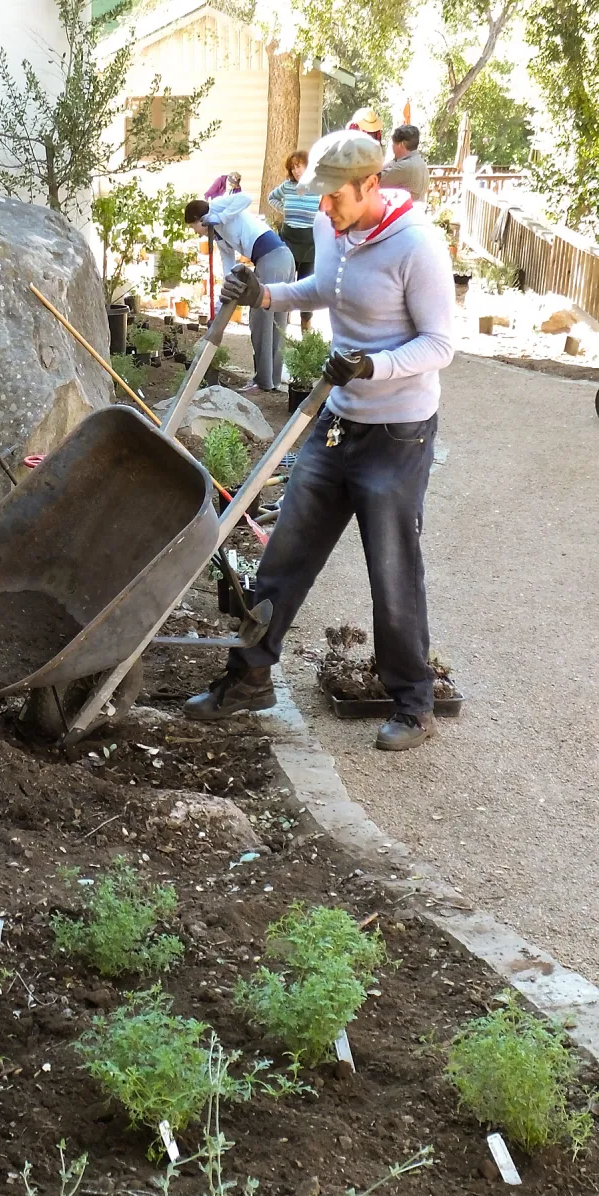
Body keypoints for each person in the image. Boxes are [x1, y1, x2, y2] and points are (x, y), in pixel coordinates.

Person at [183, 130, 455, 752]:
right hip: (336, 420)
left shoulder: (418, 246)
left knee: (392, 568)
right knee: (287, 550)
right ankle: (250, 678)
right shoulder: (336, 229)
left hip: (398, 432)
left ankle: (413, 702)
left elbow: (441, 344)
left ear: (369, 186)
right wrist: (268, 294)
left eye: (333, 198)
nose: (322, 210)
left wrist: (371, 366)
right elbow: (324, 290)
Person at [184, 193, 295, 393]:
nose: (196, 232)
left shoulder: (216, 207)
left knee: (262, 319)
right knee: (276, 321)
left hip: (272, 258)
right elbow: (229, 267)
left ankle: (262, 382)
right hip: (279, 258)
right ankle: (271, 380)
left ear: (199, 219)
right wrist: (223, 298)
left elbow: (245, 198)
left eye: (194, 227)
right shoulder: (218, 235)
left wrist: (221, 217)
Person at [267, 150, 322, 328]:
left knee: (307, 289)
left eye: (299, 166)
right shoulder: (287, 186)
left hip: (310, 244)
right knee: (285, 286)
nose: (296, 171)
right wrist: (284, 208)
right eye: (293, 168)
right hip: (288, 240)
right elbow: (271, 198)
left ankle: (306, 336)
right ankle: (282, 330)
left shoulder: (319, 187)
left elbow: (328, 208)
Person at [380, 124, 430, 203]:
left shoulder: (403, 167)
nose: (392, 148)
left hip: (405, 212)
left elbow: (374, 181)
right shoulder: (420, 162)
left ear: (401, 145)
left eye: (394, 144)